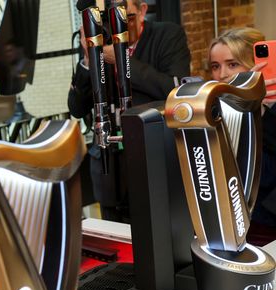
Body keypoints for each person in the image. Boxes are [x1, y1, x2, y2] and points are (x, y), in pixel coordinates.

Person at [68, 0, 191, 222]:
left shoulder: (167, 36)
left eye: (127, 17)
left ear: (143, 11)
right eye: (110, 21)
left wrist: (122, 59)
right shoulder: (98, 43)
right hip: (109, 173)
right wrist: (88, 60)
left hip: (154, 164)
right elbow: (76, 108)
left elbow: (175, 89)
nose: (118, 28)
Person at [208, 27, 276, 244]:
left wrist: (257, 110)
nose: (223, 74)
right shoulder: (210, 109)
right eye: (215, 66)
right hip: (226, 225)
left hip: (265, 227)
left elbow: (265, 175)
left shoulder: (270, 111)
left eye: (233, 64)